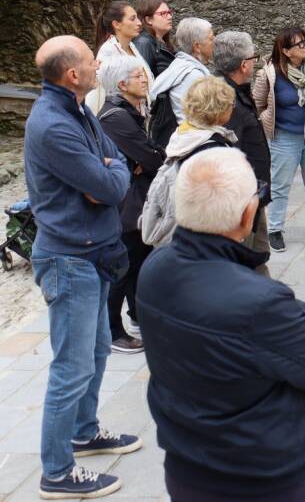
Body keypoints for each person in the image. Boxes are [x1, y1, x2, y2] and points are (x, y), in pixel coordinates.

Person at [137, 147, 305, 502]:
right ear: (247, 214)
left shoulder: (155, 268)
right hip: (256, 477)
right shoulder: (260, 302)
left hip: (186, 464)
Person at [25, 36, 141, 499]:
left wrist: (108, 171)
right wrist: (110, 173)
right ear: (73, 74)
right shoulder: (54, 124)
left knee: (94, 353)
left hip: (91, 251)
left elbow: (112, 160)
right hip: (67, 257)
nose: (100, 65)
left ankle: (84, 431)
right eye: (93, 62)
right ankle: (56, 471)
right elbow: (112, 183)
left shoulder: (77, 108)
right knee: (69, 368)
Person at [96, 55, 165, 354]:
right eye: (139, 76)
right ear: (122, 84)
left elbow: (149, 155)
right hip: (127, 202)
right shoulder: (116, 118)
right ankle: (111, 331)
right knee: (124, 267)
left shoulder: (129, 112)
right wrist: (146, 159)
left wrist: (148, 157)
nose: (145, 79)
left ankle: (138, 316)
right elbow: (152, 158)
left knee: (139, 261)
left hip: (136, 196)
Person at [253, 27, 305, 253]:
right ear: (286, 51)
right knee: (280, 185)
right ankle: (275, 229)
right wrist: (268, 120)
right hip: (284, 137)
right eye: (300, 44)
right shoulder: (270, 73)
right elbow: (258, 102)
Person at [140, 77, 238, 248]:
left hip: (179, 230)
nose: (232, 108)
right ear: (218, 109)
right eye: (230, 104)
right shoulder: (213, 149)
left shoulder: (184, 134)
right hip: (202, 237)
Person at [214, 31, 272, 274]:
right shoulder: (226, 99)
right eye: (253, 57)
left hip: (252, 195)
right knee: (246, 260)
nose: (255, 61)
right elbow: (230, 151)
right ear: (243, 64)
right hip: (242, 200)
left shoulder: (236, 91)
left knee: (257, 257)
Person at [86, 0, 154, 114]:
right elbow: (101, 92)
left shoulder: (132, 46)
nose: (139, 23)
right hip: (119, 117)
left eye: (137, 18)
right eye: (132, 19)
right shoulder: (108, 52)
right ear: (116, 24)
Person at [149, 16, 214, 123]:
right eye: (211, 39)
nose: (214, 42)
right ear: (197, 47)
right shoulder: (193, 76)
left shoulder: (179, 66)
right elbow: (200, 120)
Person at [134, 0, 175, 75]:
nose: (169, 17)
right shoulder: (144, 43)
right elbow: (142, 77)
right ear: (148, 20)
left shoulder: (163, 42)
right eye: (163, 13)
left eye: (169, 12)